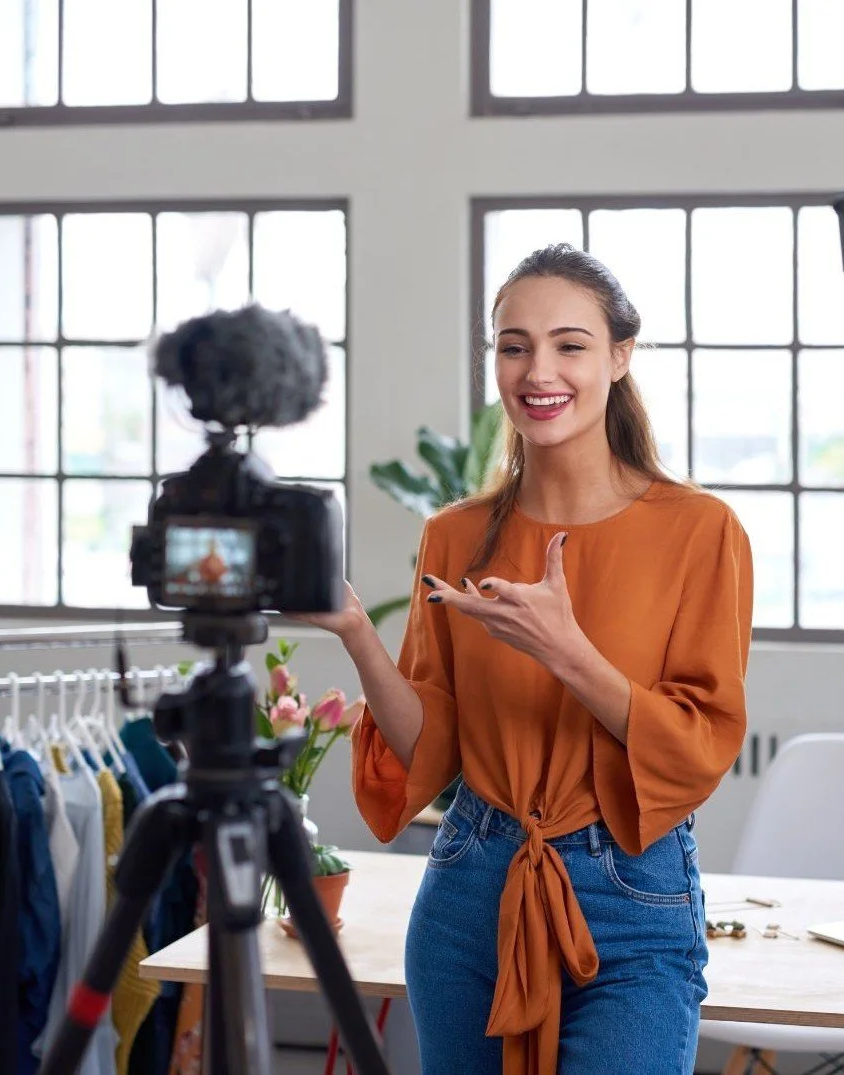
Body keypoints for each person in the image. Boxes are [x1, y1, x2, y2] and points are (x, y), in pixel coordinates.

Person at [293, 243, 753, 1074]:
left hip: (632, 891)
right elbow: (428, 750)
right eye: (514, 345)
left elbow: (698, 743)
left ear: (619, 356)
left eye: (569, 344)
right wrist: (356, 630)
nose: (538, 370)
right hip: (472, 883)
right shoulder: (457, 534)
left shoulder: (698, 531)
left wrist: (568, 653)